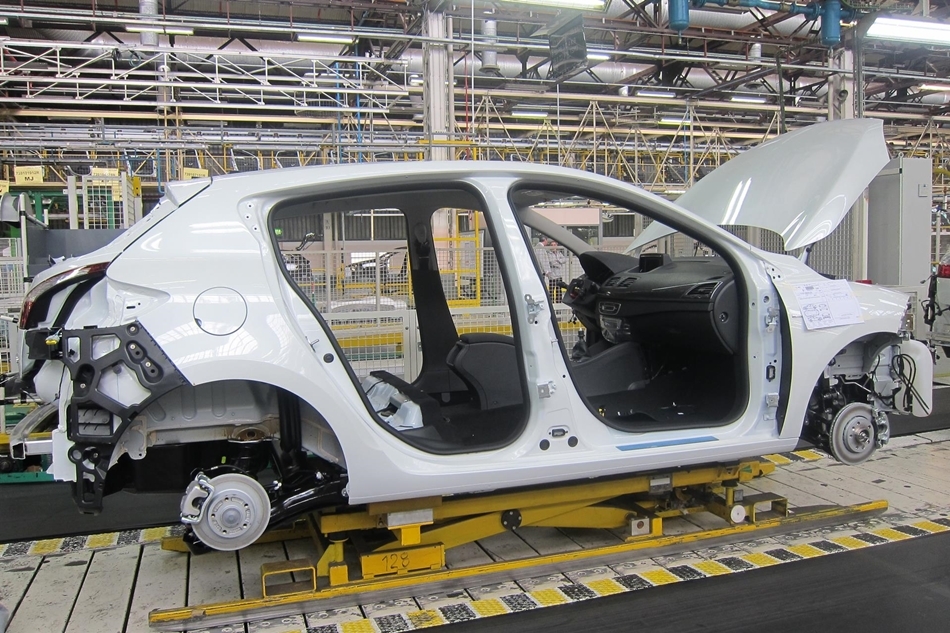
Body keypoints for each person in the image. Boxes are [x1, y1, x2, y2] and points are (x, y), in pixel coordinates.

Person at [536, 237, 567, 302]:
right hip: (552, 276)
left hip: (559, 275)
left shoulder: (559, 253)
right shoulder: (548, 253)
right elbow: (551, 262)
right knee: (551, 291)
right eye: (552, 245)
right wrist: (559, 263)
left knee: (559, 291)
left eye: (554, 245)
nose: (553, 246)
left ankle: (559, 303)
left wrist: (558, 260)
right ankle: (552, 303)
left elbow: (564, 259)